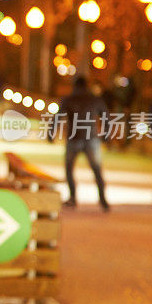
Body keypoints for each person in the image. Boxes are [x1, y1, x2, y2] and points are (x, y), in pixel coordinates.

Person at [49, 75, 110, 211]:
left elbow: (58, 117)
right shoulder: (95, 99)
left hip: (74, 138)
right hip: (91, 139)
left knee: (69, 169)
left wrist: (51, 133)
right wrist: (106, 135)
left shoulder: (68, 99)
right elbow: (105, 116)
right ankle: (103, 199)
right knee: (97, 170)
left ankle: (72, 197)